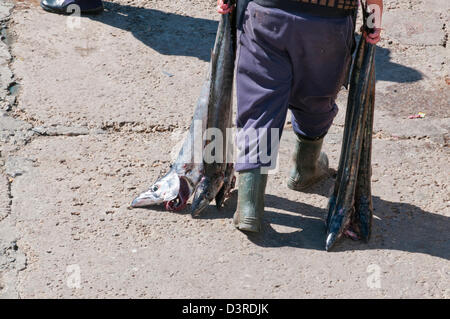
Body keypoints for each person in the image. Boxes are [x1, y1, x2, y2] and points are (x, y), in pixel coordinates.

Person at [218, 0, 383, 233]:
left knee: (259, 101)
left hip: (266, 13)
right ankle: (305, 168)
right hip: (328, 19)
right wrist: (372, 23)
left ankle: (249, 205)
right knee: (316, 95)